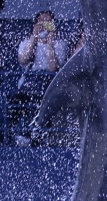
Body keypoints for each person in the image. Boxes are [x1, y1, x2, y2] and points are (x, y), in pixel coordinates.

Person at [8, 10, 68, 145]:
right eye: (42, 21)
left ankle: (29, 134)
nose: (45, 25)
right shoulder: (27, 42)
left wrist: (50, 44)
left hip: (49, 83)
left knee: (39, 93)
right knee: (14, 100)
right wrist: (34, 37)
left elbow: (53, 68)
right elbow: (23, 60)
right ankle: (0, 135)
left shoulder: (60, 44)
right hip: (29, 83)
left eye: (48, 22)